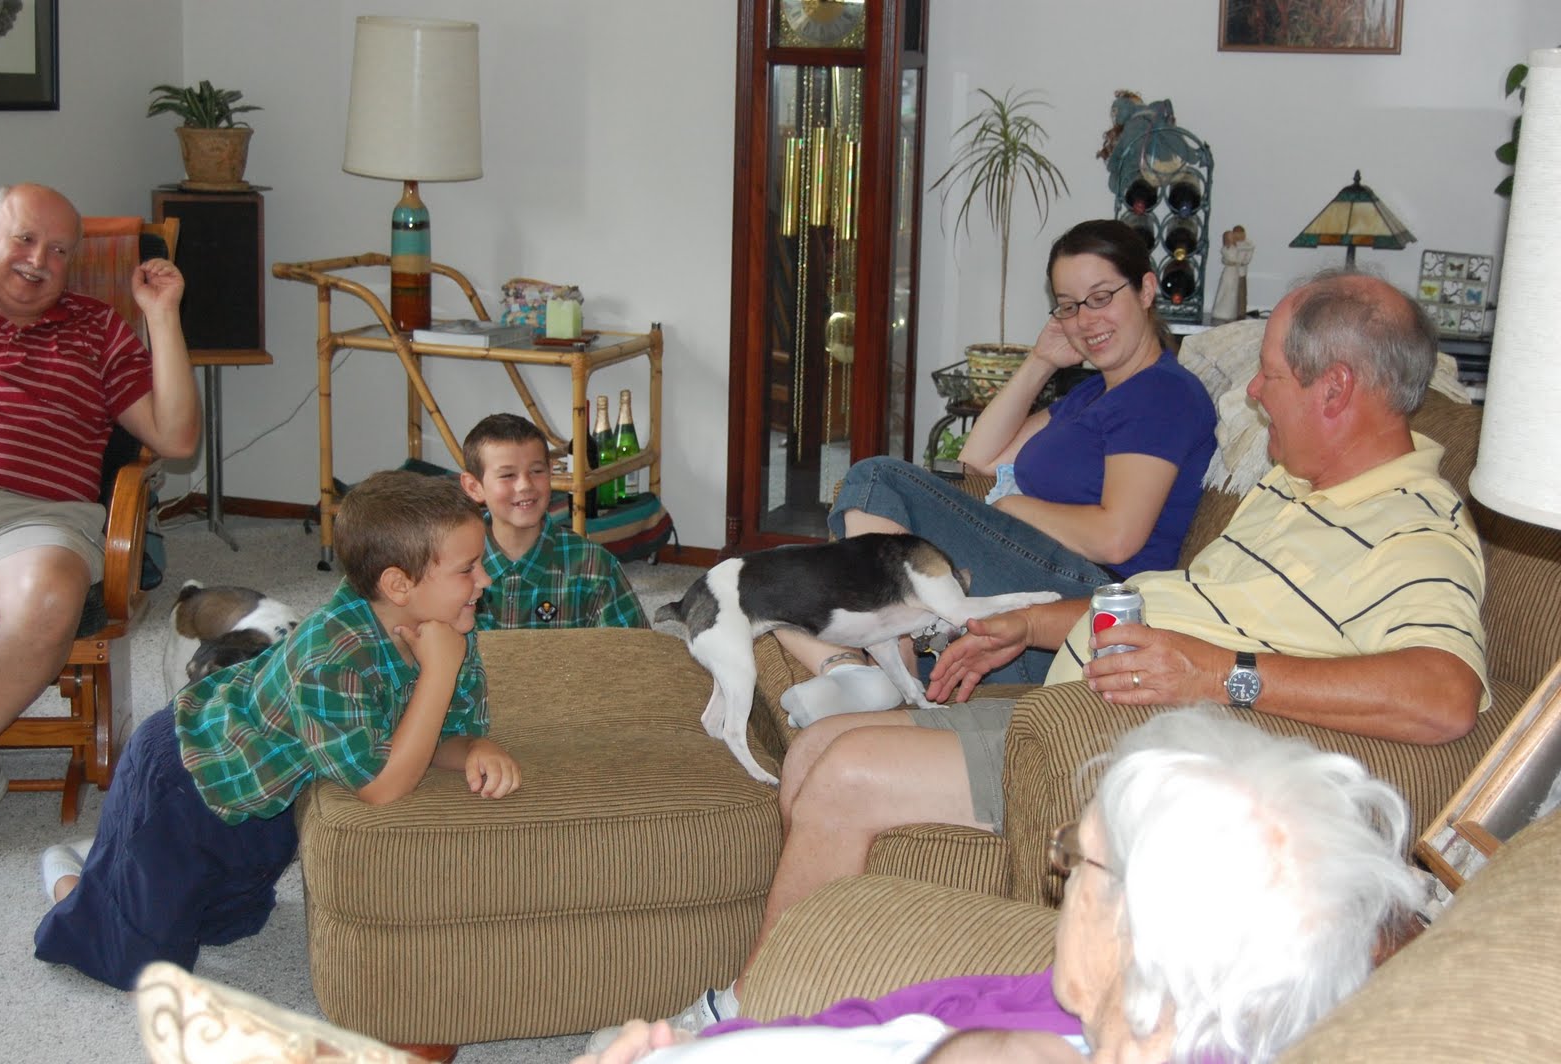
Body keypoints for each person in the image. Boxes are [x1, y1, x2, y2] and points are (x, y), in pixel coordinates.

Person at [620, 269, 1486, 1038]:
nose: (1254, 393)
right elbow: (1162, 602)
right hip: (1085, 691)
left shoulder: (1414, 529)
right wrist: (1034, 625)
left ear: (1336, 390)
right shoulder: (1291, 487)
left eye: (1272, 376)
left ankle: (741, 1023)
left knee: (843, 774)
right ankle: (794, 1003)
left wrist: (1219, 673)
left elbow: (1445, 693)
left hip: (1134, 738)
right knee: (815, 749)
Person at [579, 708, 1426, 1063]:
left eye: (1077, 860)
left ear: (1137, 925)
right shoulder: (1058, 1004)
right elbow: (868, 1024)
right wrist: (715, 1050)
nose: (1063, 879)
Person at [33, 470, 521, 990]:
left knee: (230, 923)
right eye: (468, 568)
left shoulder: (451, 626)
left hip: (265, 793)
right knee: (138, 963)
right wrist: (438, 672)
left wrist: (474, 746)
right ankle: (75, 877)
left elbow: (440, 734)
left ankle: (113, 861)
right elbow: (381, 785)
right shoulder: (332, 654)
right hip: (183, 781)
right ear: (398, 584)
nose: (486, 580)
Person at [777, 219, 1216, 725]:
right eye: (1068, 305)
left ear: (1146, 289)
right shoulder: (1095, 393)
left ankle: (890, 665)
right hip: (1036, 575)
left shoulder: (1160, 394)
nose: (1085, 319)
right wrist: (1041, 361)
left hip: (1089, 606)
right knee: (779, 580)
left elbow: (1117, 539)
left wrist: (1014, 507)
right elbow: (979, 458)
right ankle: (855, 669)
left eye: (1100, 298)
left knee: (878, 479)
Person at [0, 183, 199, 844]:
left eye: (61, 250)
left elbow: (177, 438)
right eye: (25, 239)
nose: (40, 260)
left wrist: (162, 316)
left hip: (34, 518)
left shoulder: (97, 328)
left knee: (46, 601)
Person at [460, 412, 648, 629]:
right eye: (507, 475)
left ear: (551, 471)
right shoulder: (448, 564)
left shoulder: (595, 567)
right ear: (474, 487)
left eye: (536, 471)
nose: (525, 485)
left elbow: (635, 648)